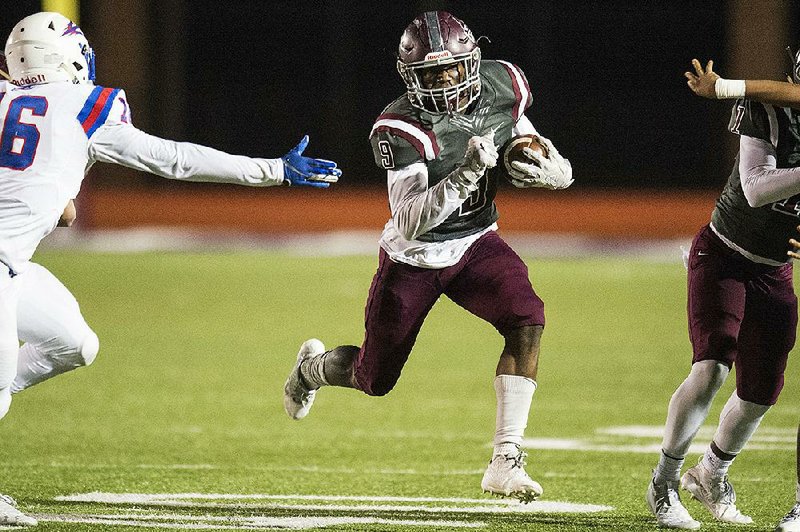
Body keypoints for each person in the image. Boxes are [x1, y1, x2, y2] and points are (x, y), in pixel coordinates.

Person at [0, 12, 340, 527]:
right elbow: (172, 159)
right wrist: (270, 170)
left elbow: (38, 181)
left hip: (12, 263)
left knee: (73, 343)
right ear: (67, 59)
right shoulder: (85, 106)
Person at [282, 10, 572, 503]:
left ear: (471, 62)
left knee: (528, 319)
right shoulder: (400, 127)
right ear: (409, 77)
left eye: (449, 68)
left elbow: (518, 126)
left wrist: (546, 158)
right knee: (375, 378)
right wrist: (463, 175)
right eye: (428, 73)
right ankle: (311, 370)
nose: (441, 80)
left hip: (477, 242)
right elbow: (411, 218)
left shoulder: (504, 83)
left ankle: (505, 459)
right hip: (414, 259)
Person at [645, 55, 800, 530]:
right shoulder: (770, 111)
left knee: (760, 392)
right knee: (712, 365)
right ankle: (664, 482)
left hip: (776, 271)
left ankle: (711, 473)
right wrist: (729, 88)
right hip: (726, 254)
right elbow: (755, 189)